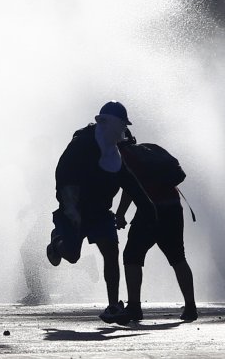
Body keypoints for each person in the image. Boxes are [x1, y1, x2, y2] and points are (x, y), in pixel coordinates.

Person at [46, 101, 141, 323]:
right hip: (74, 210)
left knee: (111, 252)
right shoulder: (82, 143)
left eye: (125, 126)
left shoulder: (115, 150)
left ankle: (112, 306)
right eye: (121, 124)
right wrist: (69, 206)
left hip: (99, 212)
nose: (123, 130)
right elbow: (63, 174)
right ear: (105, 122)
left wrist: (148, 207)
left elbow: (129, 183)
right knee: (71, 255)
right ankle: (56, 243)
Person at [115, 140, 197, 323]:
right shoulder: (150, 149)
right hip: (173, 207)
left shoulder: (122, 156)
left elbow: (129, 189)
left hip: (150, 210)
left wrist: (120, 214)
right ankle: (191, 307)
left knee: (132, 256)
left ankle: (134, 307)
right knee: (178, 257)